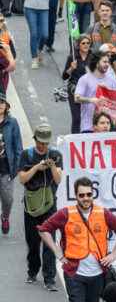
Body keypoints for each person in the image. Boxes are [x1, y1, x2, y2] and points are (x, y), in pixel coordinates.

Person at [19, 123, 62, 290]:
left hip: (50, 203)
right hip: (32, 204)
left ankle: (49, 278)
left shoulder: (56, 155)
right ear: (35, 139)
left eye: (45, 142)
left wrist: (51, 167)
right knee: (33, 241)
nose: (42, 146)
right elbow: (22, 179)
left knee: (49, 240)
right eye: (40, 142)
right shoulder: (27, 155)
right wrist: (37, 167)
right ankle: (32, 270)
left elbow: (58, 180)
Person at [21, 0, 58, 69]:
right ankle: (34, 58)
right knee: (34, 33)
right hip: (30, 8)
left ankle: (39, 49)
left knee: (45, 35)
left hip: (44, 9)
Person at [74, 51, 116, 133]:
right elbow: (76, 98)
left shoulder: (112, 79)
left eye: (108, 62)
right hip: (88, 126)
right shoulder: (85, 79)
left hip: (107, 127)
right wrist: (91, 100)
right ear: (96, 63)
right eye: (104, 62)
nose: (107, 64)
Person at [0, 92, 19, 234]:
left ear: (6, 106)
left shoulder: (12, 123)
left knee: (8, 198)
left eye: (2, 102)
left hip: (6, 167)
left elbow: (18, 146)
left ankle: (5, 216)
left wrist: (16, 168)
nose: (0, 105)